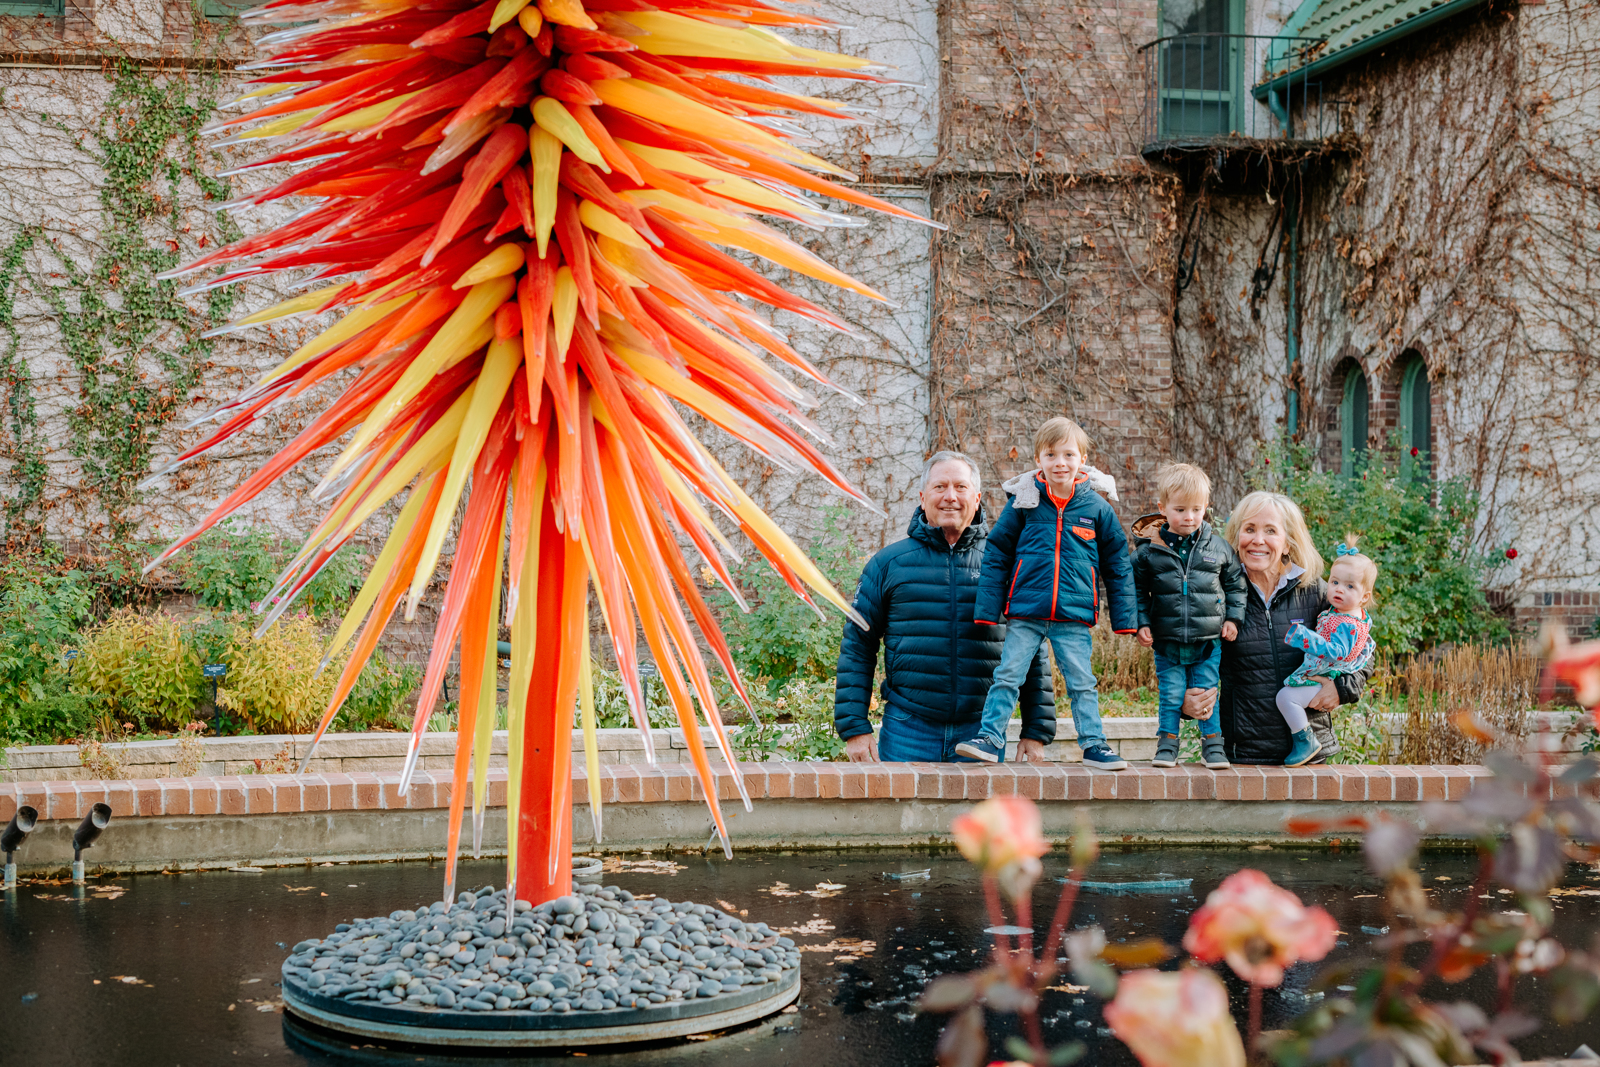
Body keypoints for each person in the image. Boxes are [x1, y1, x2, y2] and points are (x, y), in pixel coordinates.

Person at [834, 451, 1056, 763]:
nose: (950, 497)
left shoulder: (1007, 565)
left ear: (976, 498)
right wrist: (854, 727)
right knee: (903, 813)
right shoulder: (887, 565)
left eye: (960, 487)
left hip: (983, 732)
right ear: (923, 498)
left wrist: (1036, 732)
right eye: (940, 487)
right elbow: (857, 646)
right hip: (907, 729)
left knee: (979, 815)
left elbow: (1032, 647)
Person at [964, 418, 1137, 769]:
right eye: (1051, 454)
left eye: (1068, 454)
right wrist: (988, 607)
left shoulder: (1097, 509)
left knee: (1082, 684)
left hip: (1073, 615)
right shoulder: (1023, 505)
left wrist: (1126, 619)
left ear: (1082, 458)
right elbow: (997, 554)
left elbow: (1117, 565)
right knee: (1007, 675)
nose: (1060, 462)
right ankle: (989, 737)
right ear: (1038, 460)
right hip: (1026, 612)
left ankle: (1094, 745)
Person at [1190, 490, 1372, 765]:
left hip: (1310, 758)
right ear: (1237, 538)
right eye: (1249, 529)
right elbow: (1186, 657)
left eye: (1270, 531)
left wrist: (1341, 688)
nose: (1258, 540)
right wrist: (1184, 702)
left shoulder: (1316, 593)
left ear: (1287, 543)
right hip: (1243, 756)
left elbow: (1365, 651)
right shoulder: (1219, 595)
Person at [1129, 463, 1245, 770]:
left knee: (1207, 691)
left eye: (1196, 509)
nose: (1189, 517)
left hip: (1208, 640)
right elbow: (1135, 591)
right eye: (1180, 509)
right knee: (1171, 694)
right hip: (1166, 640)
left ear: (1206, 507)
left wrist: (1234, 619)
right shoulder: (1148, 552)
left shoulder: (1218, 548)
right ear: (1162, 508)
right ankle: (1167, 744)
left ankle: (1213, 745)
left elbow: (1236, 585)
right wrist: (1140, 623)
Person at [1277, 534, 1379, 766]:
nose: (1339, 590)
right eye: (1334, 582)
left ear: (1364, 597)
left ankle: (1305, 741)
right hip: (1322, 672)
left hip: (1325, 675)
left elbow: (1341, 652)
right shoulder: (1346, 613)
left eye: (1349, 586)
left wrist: (1304, 637)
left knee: (1285, 698)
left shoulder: (1346, 622)